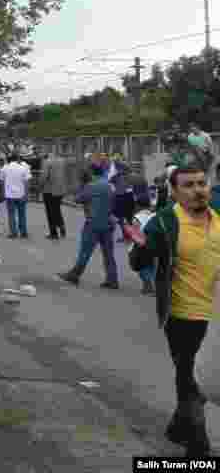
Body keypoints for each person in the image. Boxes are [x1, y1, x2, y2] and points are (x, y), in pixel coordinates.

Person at [131, 163, 220, 457]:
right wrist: (142, 246)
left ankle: (179, 427)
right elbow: (138, 262)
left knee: (205, 380)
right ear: (174, 191)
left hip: (216, 315)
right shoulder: (165, 222)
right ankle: (198, 452)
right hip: (183, 316)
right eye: (189, 185)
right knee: (191, 383)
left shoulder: (219, 216)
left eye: (201, 184)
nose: (198, 190)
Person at [58, 163, 119, 289]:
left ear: (91, 173)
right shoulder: (110, 186)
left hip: (93, 223)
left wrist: (82, 185)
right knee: (108, 254)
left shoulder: (90, 187)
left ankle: (75, 275)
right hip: (108, 223)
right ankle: (112, 279)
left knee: (85, 251)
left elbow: (77, 199)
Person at [0, 154, 31, 239]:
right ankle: (23, 232)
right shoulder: (23, 168)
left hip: (9, 195)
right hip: (21, 194)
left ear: (8, 160)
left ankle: (13, 233)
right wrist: (26, 194)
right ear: (17, 159)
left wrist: (3, 193)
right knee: (22, 214)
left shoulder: (4, 168)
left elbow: (2, 182)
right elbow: (27, 182)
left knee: (11, 214)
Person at [40, 151, 68, 240]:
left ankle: (53, 233)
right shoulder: (62, 161)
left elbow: (44, 176)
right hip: (60, 189)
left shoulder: (47, 162)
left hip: (49, 190)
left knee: (50, 212)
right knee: (56, 209)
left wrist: (40, 185)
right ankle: (61, 225)